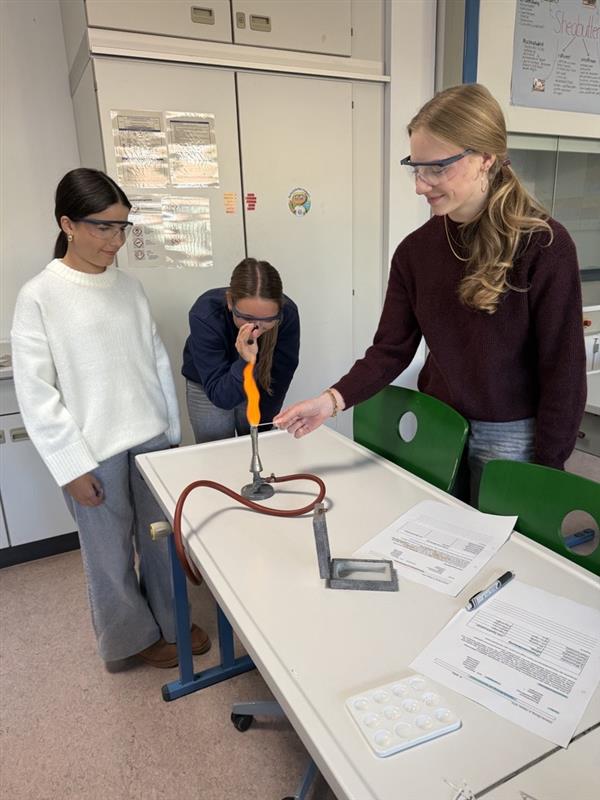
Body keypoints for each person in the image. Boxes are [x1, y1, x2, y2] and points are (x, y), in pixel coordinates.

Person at [274, 83, 586, 503]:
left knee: (503, 542)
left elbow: (563, 370)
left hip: (513, 437)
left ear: (486, 158)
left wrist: (548, 470)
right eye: (415, 168)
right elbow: (390, 349)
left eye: (437, 168)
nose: (421, 186)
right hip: (439, 424)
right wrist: (331, 401)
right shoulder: (415, 252)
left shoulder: (544, 245)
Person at [11, 168, 210, 669]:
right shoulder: (40, 295)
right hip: (92, 450)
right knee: (109, 556)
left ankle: (172, 621)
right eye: (103, 227)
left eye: (122, 227)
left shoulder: (129, 288)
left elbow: (155, 362)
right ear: (68, 224)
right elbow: (36, 392)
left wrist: (171, 432)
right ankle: (131, 639)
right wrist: (70, 466)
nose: (116, 241)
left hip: (150, 440)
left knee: (162, 541)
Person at [182, 258, 300, 443]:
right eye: (247, 318)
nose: (256, 328)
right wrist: (246, 361)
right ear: (230, 301)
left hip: (258, 381)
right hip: (209, 385)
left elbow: (280, 375)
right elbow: (222, 397)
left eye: (267, 320)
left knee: (257, 443)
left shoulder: (287, 314)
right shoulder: (205, 314)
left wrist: (262, 428)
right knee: (217, 450)